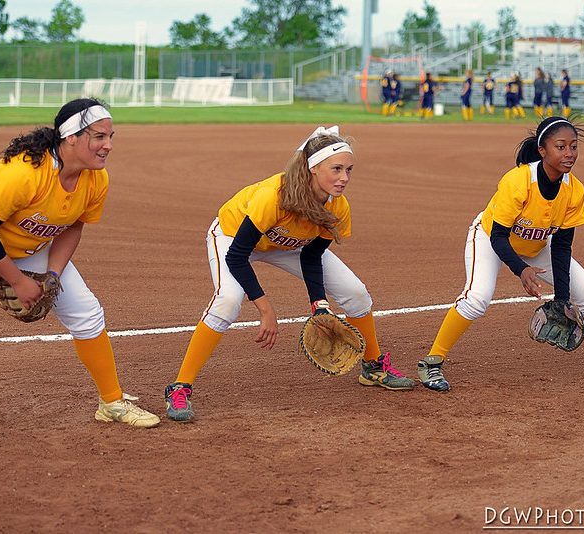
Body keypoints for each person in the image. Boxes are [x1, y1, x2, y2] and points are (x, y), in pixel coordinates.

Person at [164, 126, 416, 422]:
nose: (344, 178)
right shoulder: (275, 196)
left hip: (289, 243)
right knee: (227, 301)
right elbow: (237, 255)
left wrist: (318, 305)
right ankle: (179, 387)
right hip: (234, 236)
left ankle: (373, 366)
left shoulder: (337, 206)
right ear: (313, 168)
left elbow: (312, 255)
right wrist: (265, 308)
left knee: (355, 292)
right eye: (336, 169)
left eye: (348, 169)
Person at [0, 98, 160, 427]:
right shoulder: (23, 173)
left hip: (30, 244)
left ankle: (111, 403)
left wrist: (53, 276)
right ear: (71, 136)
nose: (108, 146)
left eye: (111, 137)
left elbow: (72, 226)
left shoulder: (95, 180)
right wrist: (18, 280)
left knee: (86, 311)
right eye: (99, 137)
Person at [417, 116, 584, 392]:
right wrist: (521, 270)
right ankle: (431, 361)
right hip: (489, 239)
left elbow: (563, 246)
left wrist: (562, 299)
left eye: (573, 146)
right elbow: (498, 236)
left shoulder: (574, 190)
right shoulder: (518, 181)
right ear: (543, 150)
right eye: (560, 146)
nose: (569, 154)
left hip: (538, 245)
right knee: (476, 298)